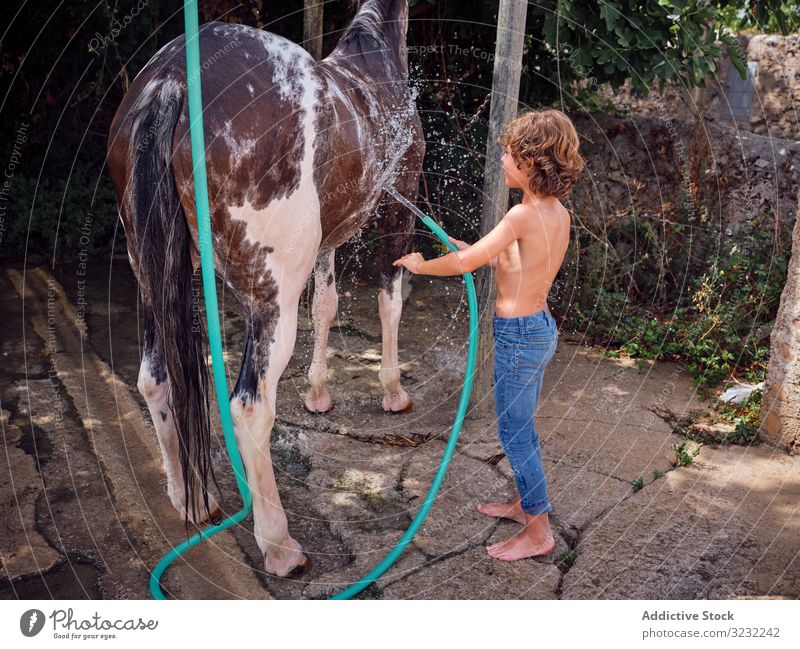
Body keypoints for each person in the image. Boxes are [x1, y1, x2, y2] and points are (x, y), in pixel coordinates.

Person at [392, 108, 585, 561]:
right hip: (538, 327)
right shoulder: (557, 214)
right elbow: (518, 265)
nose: (502, 158)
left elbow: (466, 264)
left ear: (533, 165)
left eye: (510, 153)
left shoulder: (520, 214)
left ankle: (539, 533)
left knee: (514, 433)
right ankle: (525, 504)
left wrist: (424, 265)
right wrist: (480, 252)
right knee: (523, 428)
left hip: (519, 336)